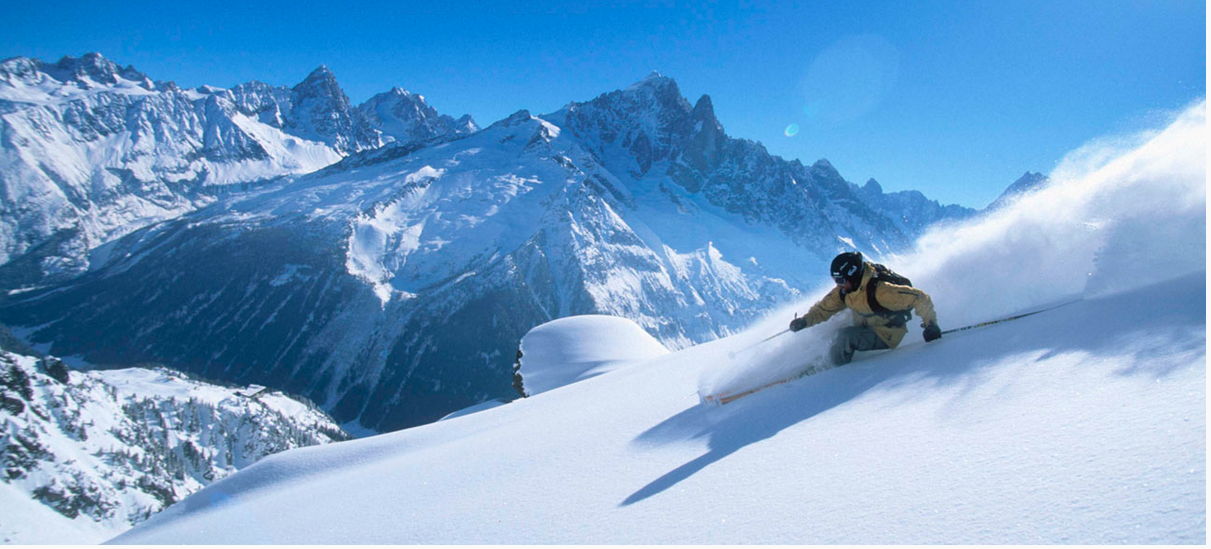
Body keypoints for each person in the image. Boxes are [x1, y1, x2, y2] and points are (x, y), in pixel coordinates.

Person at [789, 251, 942, 366]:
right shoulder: (845, 291)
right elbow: (824, 309)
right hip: (866, 324)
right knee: (835, 322)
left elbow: (919, 298)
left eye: (840, 280)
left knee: (845, 337)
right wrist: (804, 321)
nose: (838, 284)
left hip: (887, 333)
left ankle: (834, 370)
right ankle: (828, 358)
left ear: (853, 276)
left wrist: (931, 324)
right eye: (835, 280)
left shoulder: (882, 291)